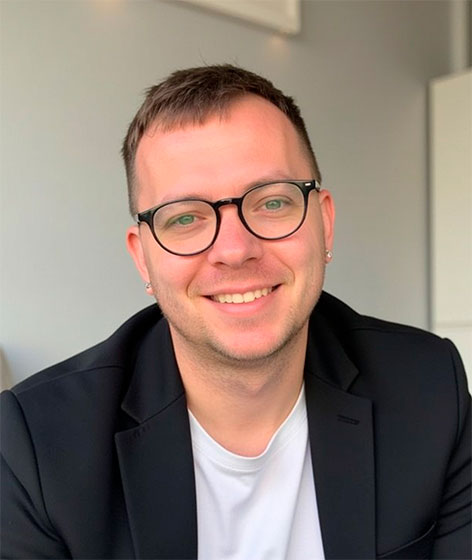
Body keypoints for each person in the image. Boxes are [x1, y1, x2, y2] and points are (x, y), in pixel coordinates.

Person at [1, 65, 470, 560]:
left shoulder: (429, 387)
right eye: (185, 217)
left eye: (272, 203)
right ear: (143, 258)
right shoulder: (35, 446)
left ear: (324, 223)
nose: (235, 250)